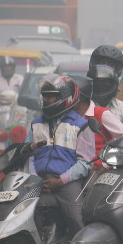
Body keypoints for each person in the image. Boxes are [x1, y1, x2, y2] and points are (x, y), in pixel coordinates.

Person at [26, 75, 95, 233]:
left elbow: (85, 163)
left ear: (66, 97)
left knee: (77, 219)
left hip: (68, 182)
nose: (45, 100)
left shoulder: (81, 125)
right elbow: (30, 155)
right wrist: (36, 179)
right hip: (38, 181)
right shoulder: (36, 123)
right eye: (44, 96)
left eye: (50, 96)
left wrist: (60, 181)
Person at [71, 75, 123, 172]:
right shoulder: (66, 116)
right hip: (70, 172)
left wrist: (106, 164)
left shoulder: (101, 114)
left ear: (80, 97)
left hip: (95, 173)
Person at [89, 64, 123, 138]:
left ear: (113, 84)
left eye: (105, 83)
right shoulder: (85, 108)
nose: (101, 86)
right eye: (97, 83)